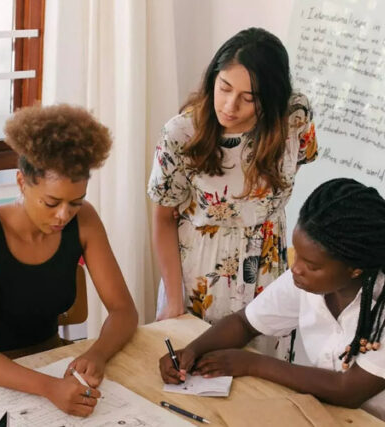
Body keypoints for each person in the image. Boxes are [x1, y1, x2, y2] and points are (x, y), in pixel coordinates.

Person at [159, 178, 385, 426]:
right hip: (338, 416)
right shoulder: (311, 279)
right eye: (298, 254)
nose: (296, 268)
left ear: (355, 268)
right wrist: (193, 351)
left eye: (312, 264)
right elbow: (244, 323)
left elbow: (351, 390)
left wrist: (251, 362)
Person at [0, 105, 138, 417]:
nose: (64, 215)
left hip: (50, 360)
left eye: (75, 203)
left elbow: (124, 311)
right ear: (22, 183)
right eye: (51, 203)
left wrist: (98, 354)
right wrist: (49, 388)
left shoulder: (85, 221)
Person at [148, 27, 318, 359]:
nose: (229, 105)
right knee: (194, 374)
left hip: (268, 269)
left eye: (249, 97)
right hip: (201, 274)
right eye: (224, 87)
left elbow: (291, 170)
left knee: (262, 381)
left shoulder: (294, 117)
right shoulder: (182, 133)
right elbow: (163, 217)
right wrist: (173, 299)